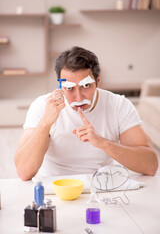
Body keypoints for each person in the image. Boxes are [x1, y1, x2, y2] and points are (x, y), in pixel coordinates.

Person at [14, 46, 158, 181]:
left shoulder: (118, 105)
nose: (78, 97)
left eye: (86, 86)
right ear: (60, 85)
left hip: (99, 187)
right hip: (55, 189)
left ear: (98, 81)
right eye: (69, 88)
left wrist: (103, 143)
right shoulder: (42, 106)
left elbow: (150, 166)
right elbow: (23, 171)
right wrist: (45, 123)